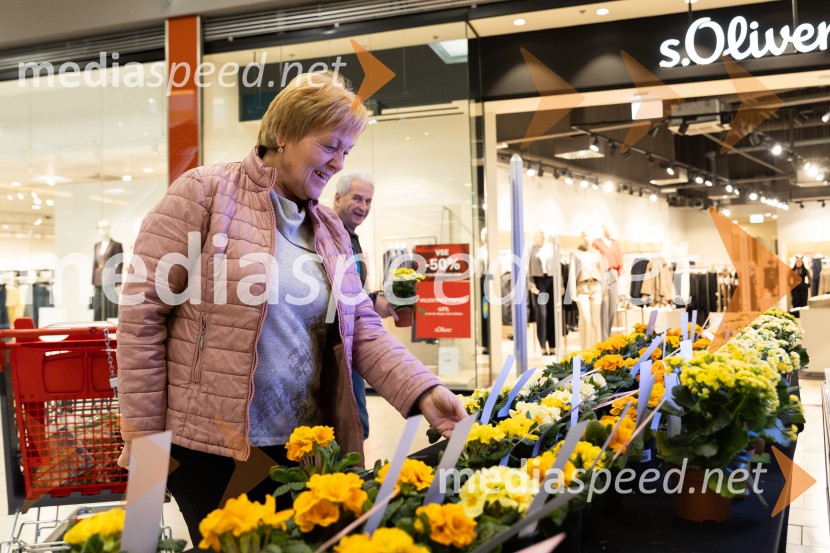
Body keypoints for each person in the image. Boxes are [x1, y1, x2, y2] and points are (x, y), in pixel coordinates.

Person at [115, 72, 466, 543]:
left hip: (302, 445)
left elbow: (361, 325)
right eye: (329, 146)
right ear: (284, 134)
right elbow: (141, 319)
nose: (338, 163)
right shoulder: (203, 194)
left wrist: (424, 391)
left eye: (347, 151)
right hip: (209, 448)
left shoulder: (327, 229)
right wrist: (145, 445)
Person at [332, 173, 399, 439]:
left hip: (352, 340)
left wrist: (373, 299)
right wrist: (372, 302)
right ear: (337, 198)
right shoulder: (329, 235)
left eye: (368, 201)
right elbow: (333, 286)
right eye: (357, 198)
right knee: (351, 424)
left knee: (357, 423)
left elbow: (352, 285)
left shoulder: (351, 236)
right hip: (336, 343)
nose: (363, 206)